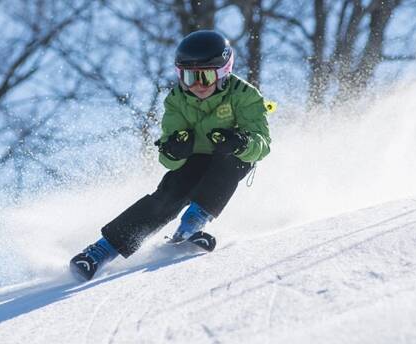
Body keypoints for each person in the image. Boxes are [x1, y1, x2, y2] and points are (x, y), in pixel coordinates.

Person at [70, 29, 272, 281]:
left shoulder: (244, 95)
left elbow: (263, 144)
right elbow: (167, 158)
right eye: (188, 77)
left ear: (223, 73)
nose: (197, 85)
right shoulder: (177, 100)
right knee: (170, 192)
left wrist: (241, 142)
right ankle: (100, 251)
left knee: (230, 163)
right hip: (195, 159)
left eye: (205, 77)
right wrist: (174, 150)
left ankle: (191, 225)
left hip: (231, 156)